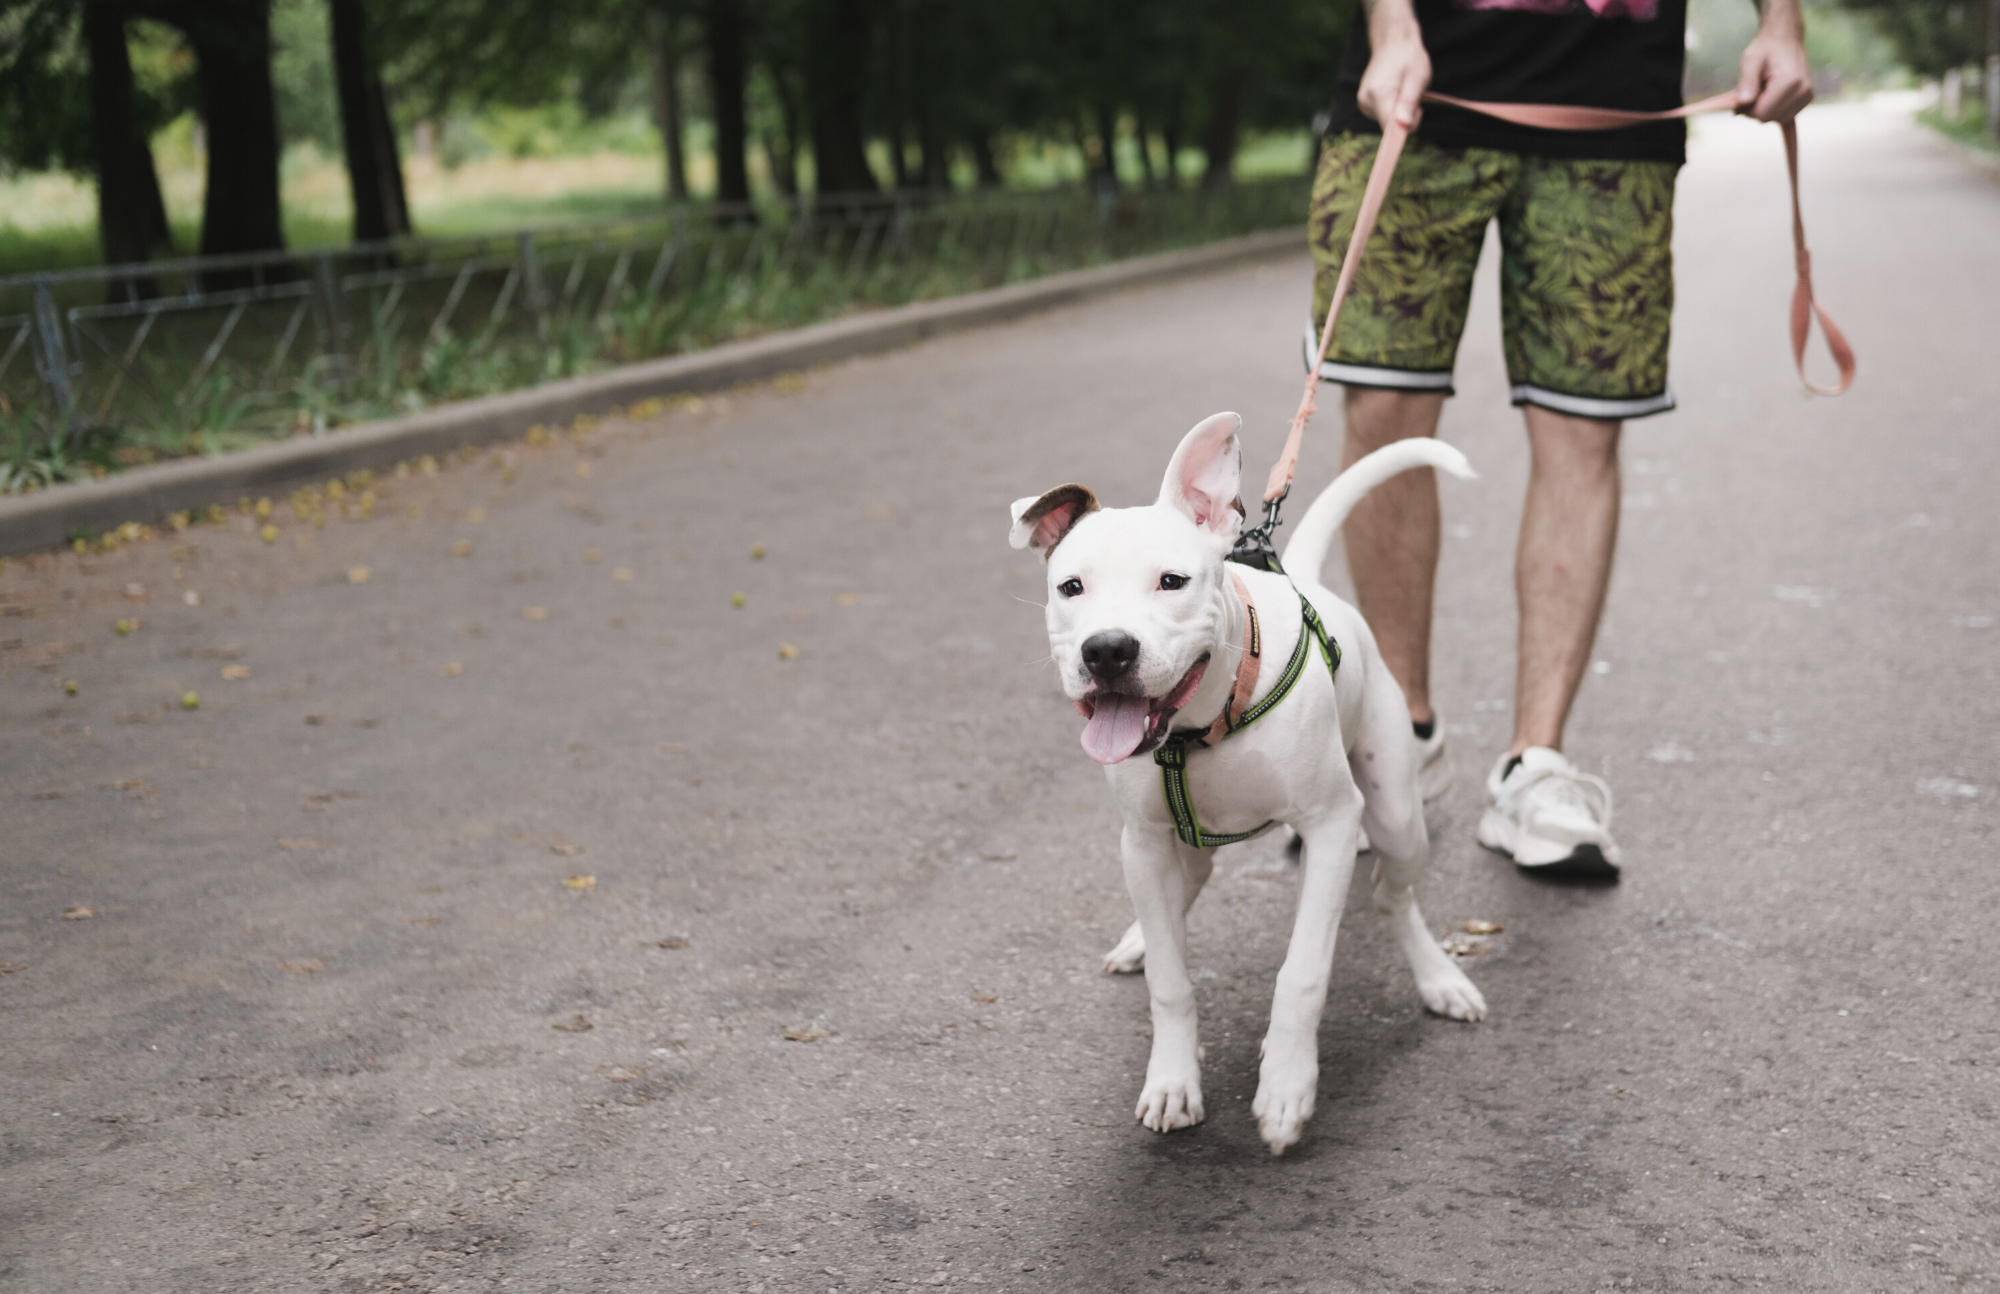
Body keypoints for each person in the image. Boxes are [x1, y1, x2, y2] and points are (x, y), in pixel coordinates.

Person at [1310, 0, 1813, 877]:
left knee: (1583, 430)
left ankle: (1534, 765)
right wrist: (1392, 25)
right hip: (1414, 90)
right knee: (1384, 411)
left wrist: (1783, 23)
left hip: (1612, 109)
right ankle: (1403, 738)